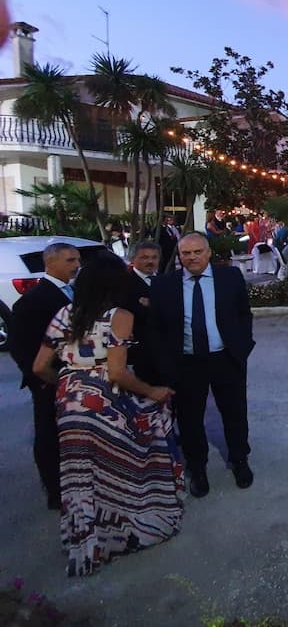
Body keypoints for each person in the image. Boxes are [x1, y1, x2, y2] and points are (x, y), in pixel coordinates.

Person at [32, 251, 182, 576]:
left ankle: (87, 541)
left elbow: (40, 367)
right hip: (106, 402)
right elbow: (117, 372)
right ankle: (129, 530)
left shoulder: (64, 313)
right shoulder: (119, 316)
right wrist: (152, 391)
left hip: (69, 404)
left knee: (81, 473)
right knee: (123, 463)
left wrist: (69, 381)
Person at [149, 232, 255, 498]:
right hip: (186, 363)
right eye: (186, 253)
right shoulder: (164, 285)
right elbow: (157, 328)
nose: (192, 257)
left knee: (234, 413)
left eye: (197, 252)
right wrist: (166, 364)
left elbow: (244, 313)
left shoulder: (230, 277)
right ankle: (197, 468)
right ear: (179, 256)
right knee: (189, 419)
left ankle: (240, 460)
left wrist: (243, 347)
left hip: (225, 359)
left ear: (208, 253)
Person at [10, 242, 81, 510]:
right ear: (50, 263)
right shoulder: (33, 301)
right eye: (70, 260)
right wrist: (41, 377)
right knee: (49, 434)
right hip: (48, 380)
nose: (77, 265)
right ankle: (55, 490)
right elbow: (20, 345)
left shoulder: (75, 292)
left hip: (76, 378)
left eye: (77, 260)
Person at [124, 241, 162, 389]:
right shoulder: (124, 283)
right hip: (140, 352)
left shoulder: (165, 280)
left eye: (154, 257)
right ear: (133, 259)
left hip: (166, 351)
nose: (150, 261)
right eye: (145, 257)